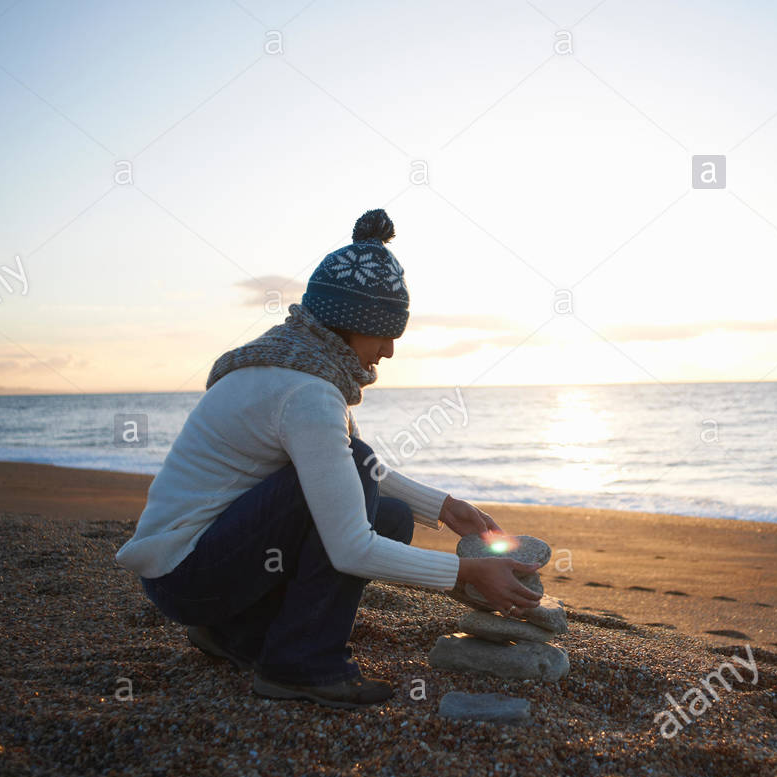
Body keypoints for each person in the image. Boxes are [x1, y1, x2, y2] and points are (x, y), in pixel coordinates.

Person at [115, 209, 541, 710]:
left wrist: (445, 508)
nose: (388, 350)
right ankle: (301, 665)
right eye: (383, 333)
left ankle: (235, 631)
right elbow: (350, 547)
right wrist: (466, 573)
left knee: (392, 515)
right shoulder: (309, 394)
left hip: (194, 566)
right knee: (361, 501)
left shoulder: (290, 360)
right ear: (348, 323)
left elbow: (342, 465)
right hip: (189, 576)